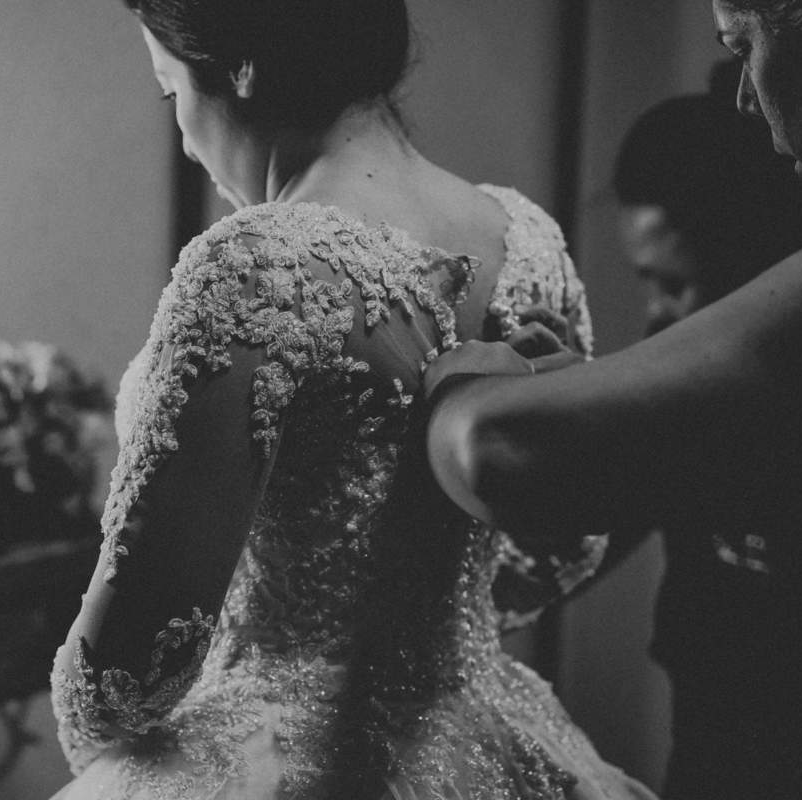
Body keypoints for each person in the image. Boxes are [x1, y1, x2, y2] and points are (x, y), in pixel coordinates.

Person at [48, 1, 656, 798]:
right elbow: (559, 547)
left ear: (242, 67)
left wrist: (106, 762)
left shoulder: (253, 266)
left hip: (284, 759)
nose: (187, 139)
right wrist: (436, 637)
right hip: (479, 735)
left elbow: (127, 670)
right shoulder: (528, 238)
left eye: (173, 91)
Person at [425, 1, 802, 795]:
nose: (657, 316)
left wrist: (461, 375)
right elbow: (563, 542)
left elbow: (495, 446)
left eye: (675, 283)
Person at [599, 63, 802, 799]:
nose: (656, 314)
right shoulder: (671, 387)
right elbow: (586, 531)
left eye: (673, 283)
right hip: (702, 751)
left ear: (745, 257)